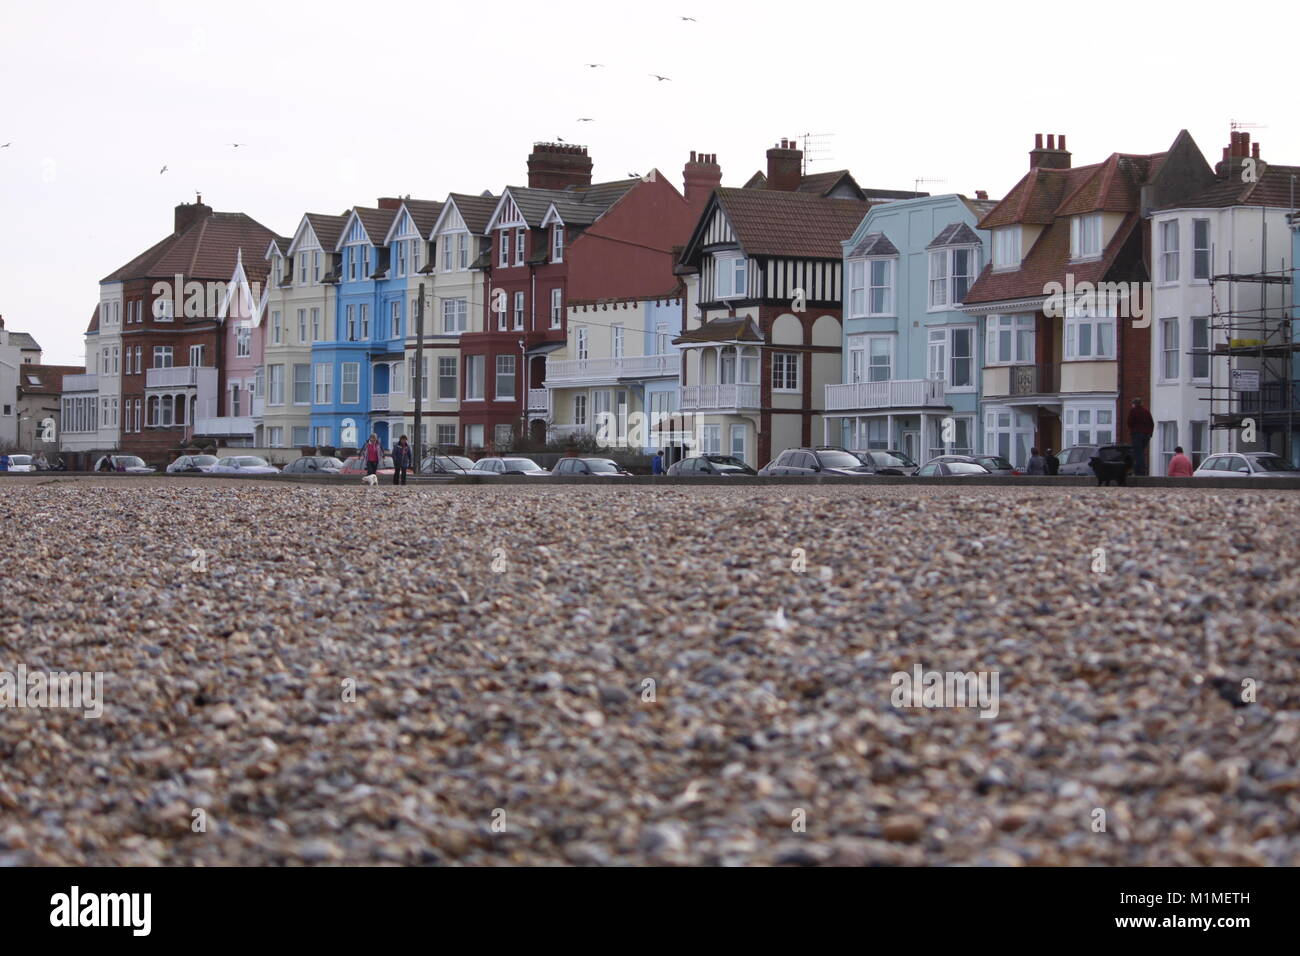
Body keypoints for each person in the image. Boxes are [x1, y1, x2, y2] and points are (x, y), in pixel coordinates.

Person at [1127, 397, 1154, 476]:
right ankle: (1141, 470)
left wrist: (1132, 430)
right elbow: (1151, 423)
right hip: (1146, 435)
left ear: (1134, 404)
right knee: (1141, 452)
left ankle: (1139, 471)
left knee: (1138, 453)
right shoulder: (1146, 411)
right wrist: (1150, 434)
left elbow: (1129, 422)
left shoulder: (1133, 411)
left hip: (1137, 434)